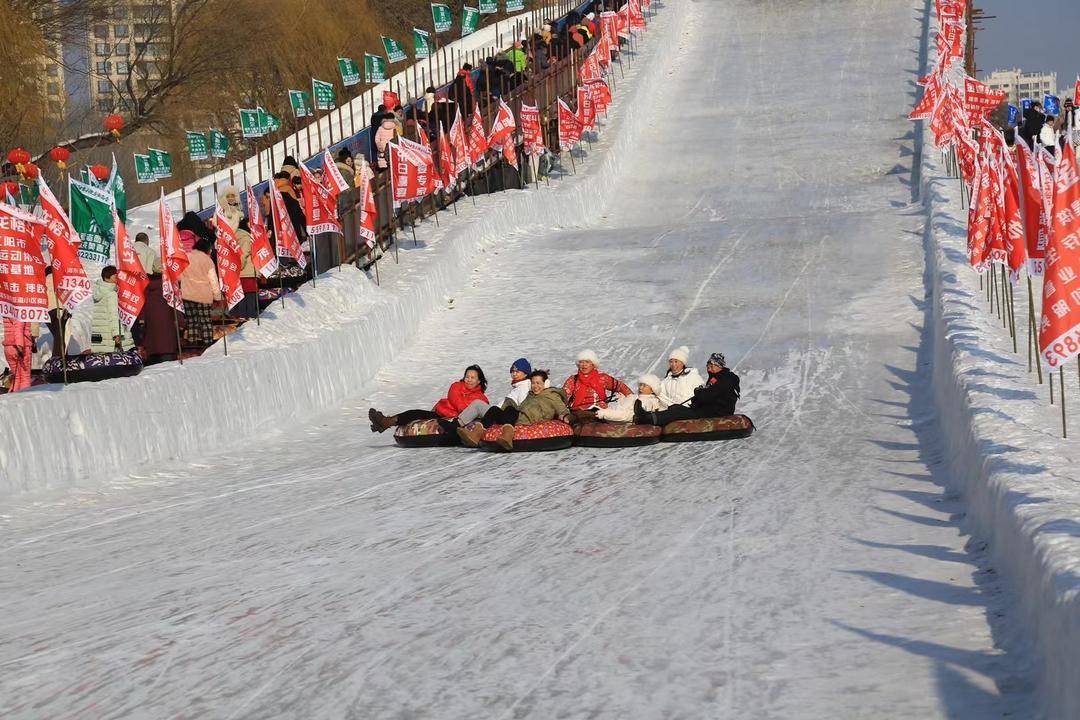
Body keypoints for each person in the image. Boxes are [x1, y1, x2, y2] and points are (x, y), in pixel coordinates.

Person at [457, 370, 571, 450]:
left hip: (527, 419)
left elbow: (562, 409)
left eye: (538, 383)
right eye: (533, 383)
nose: (535, 386)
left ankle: (507, 436)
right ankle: (476, 435)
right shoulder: (531, 394)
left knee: (511, 409)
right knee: (494, 409)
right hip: (519, 416)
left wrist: (565, 416)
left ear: (546, 384)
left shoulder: (552, 396)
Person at [369, 365, 489, 432]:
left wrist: (465, 412)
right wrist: (465, 410)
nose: (468, 379)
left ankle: (383, 424)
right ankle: (386, 422)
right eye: (467, 376)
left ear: (479, 381)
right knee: (414, 413)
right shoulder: (456, 386)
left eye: (472, 378)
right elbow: (455, 400)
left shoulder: (480, 398)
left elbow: (476, 412)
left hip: (454, 421)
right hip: (441, 414)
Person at [636, 352, 741, 425]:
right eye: (708, 364)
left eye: (712, 365)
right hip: (708, 410)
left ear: (720, 366)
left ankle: (648, 419)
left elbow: (708, 396)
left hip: (717, 412)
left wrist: (698, 392)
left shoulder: (726, 379)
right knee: (676, 408)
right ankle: (650, 416)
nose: (709, 367)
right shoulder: (715, 378)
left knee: (677, 412)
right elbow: (706, 395)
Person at [456, 358, 535, 426]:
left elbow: (523, 405)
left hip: (502, 414)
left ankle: (456, 424)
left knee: (478, 404)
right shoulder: (518, 386)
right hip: (499, 412)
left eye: (517, 372)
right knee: (480, 405)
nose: (514, 374)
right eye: (512, 371)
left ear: (525, 374)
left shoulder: (524, 387)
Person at [561, 349, 632, 424]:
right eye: (581, 362)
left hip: (599, 410)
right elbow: (564, 396)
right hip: (578, 410)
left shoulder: (603, 378)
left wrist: (633, 400)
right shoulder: (573, 379)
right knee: (581, 415)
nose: (584, 365)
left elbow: (621, 387)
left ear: (593, 364)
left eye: (587, 362)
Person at [179, 236, 220, 348]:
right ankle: (208, 343)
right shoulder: (207, 260)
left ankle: (192, 342)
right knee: (205, 321)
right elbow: (213, 280)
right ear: (206, 249)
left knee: (191, 320)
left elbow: (178, 277)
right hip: (204, 295)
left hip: (187, 294)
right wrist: (217, 296)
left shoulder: (186, 257)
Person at [90, 266, 133, 353]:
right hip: (110, 336)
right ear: (107, 277)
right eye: (115, 276)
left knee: (100, 361)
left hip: (99, 334)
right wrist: (117, 334)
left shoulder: (97, 292)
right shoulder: (111, 294)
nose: (117, 278)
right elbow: (114, 315)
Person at [596, 373, 663, 422]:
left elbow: (628, 416)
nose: (640, 387)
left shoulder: (648, 402)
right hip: (612, 417)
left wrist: (604, 413)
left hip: (622, 422)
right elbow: (619, 409)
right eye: (640, 385)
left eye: (644, 385)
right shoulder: (633, 397)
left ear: (652, 390)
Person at [2, 317, 33, 392]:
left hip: (8, 347)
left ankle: (14, 399)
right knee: (25, 377)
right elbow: (18, 327)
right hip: (20, 347)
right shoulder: (19, 311)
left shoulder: (8, 308)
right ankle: (24, 399)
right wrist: (20, 346)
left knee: (17, 377)